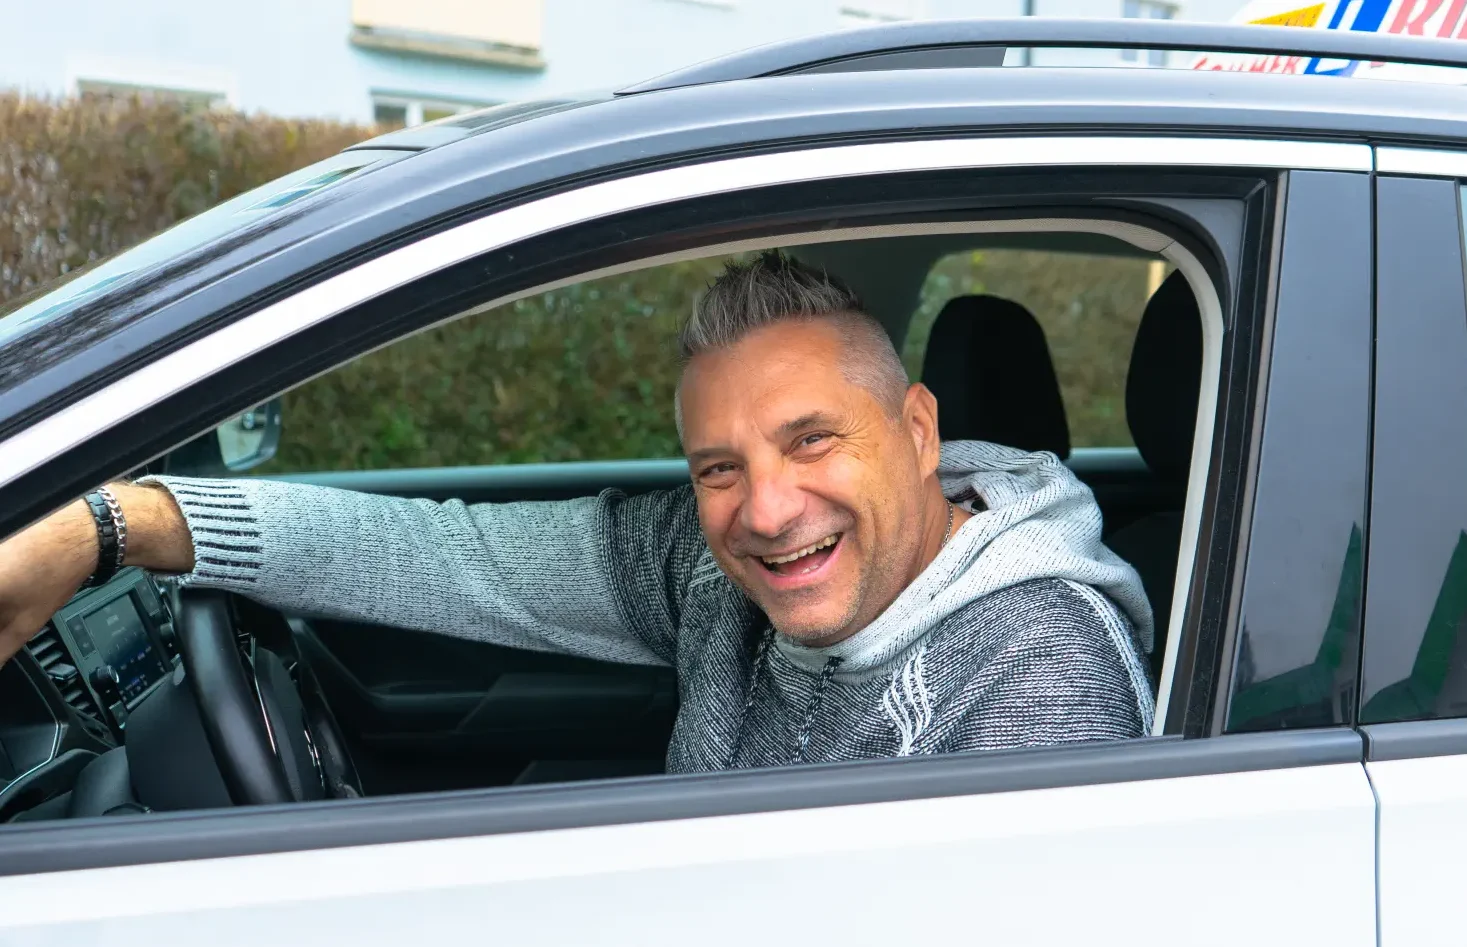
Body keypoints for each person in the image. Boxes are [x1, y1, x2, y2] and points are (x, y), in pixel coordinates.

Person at [0, 251, 1155, 771]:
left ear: (914, 432)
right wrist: (120, 523)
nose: (764, 507)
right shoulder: (719, 570)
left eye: (812, 440)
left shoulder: (1037, 675)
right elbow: (456, 555)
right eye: (716, 466)